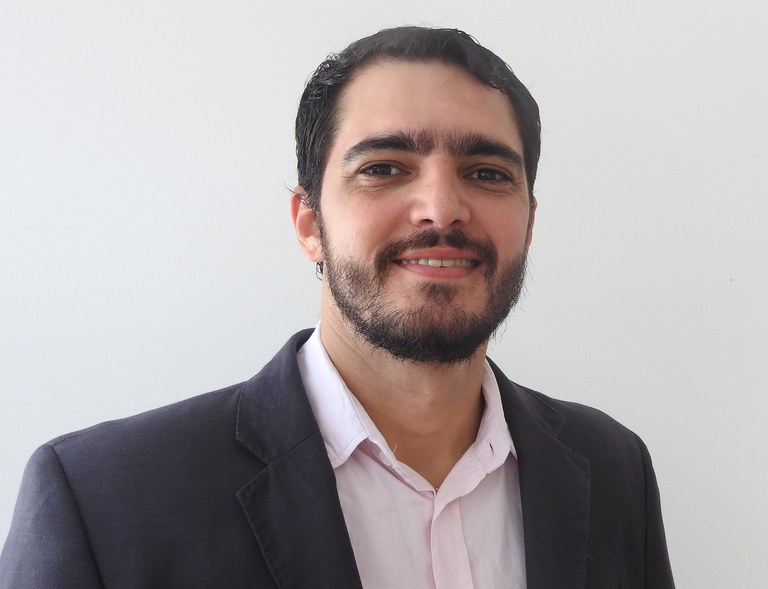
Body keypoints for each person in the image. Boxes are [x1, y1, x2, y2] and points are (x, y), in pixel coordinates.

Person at [0, 26, 675, 588]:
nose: (442, 208)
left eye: (487, 173)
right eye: (384, 167)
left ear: (528, 224)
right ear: (308, 223)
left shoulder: (614, 469)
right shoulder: (103, 501)